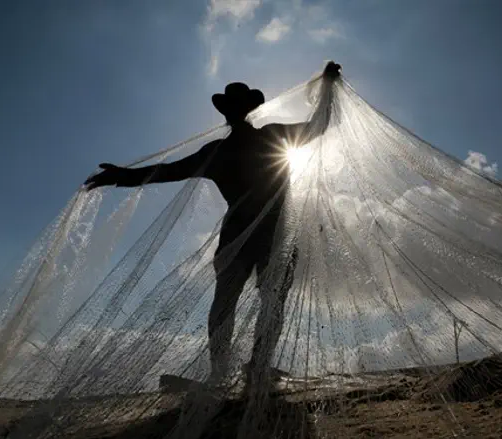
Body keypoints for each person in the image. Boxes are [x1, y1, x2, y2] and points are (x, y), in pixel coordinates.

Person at [84, 61, 341, 389]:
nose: (228, 113)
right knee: (244, 302)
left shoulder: (242, 145)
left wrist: (328, 86)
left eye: (231, 107)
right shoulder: (241, 145)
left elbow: (168, 171)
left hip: (264, 234)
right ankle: (239, 369)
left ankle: (248, 368)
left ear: (242, 110)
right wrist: (122, 176)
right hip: (257, 235)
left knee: (252, 301)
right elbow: (168, 171)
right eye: (228, 107)